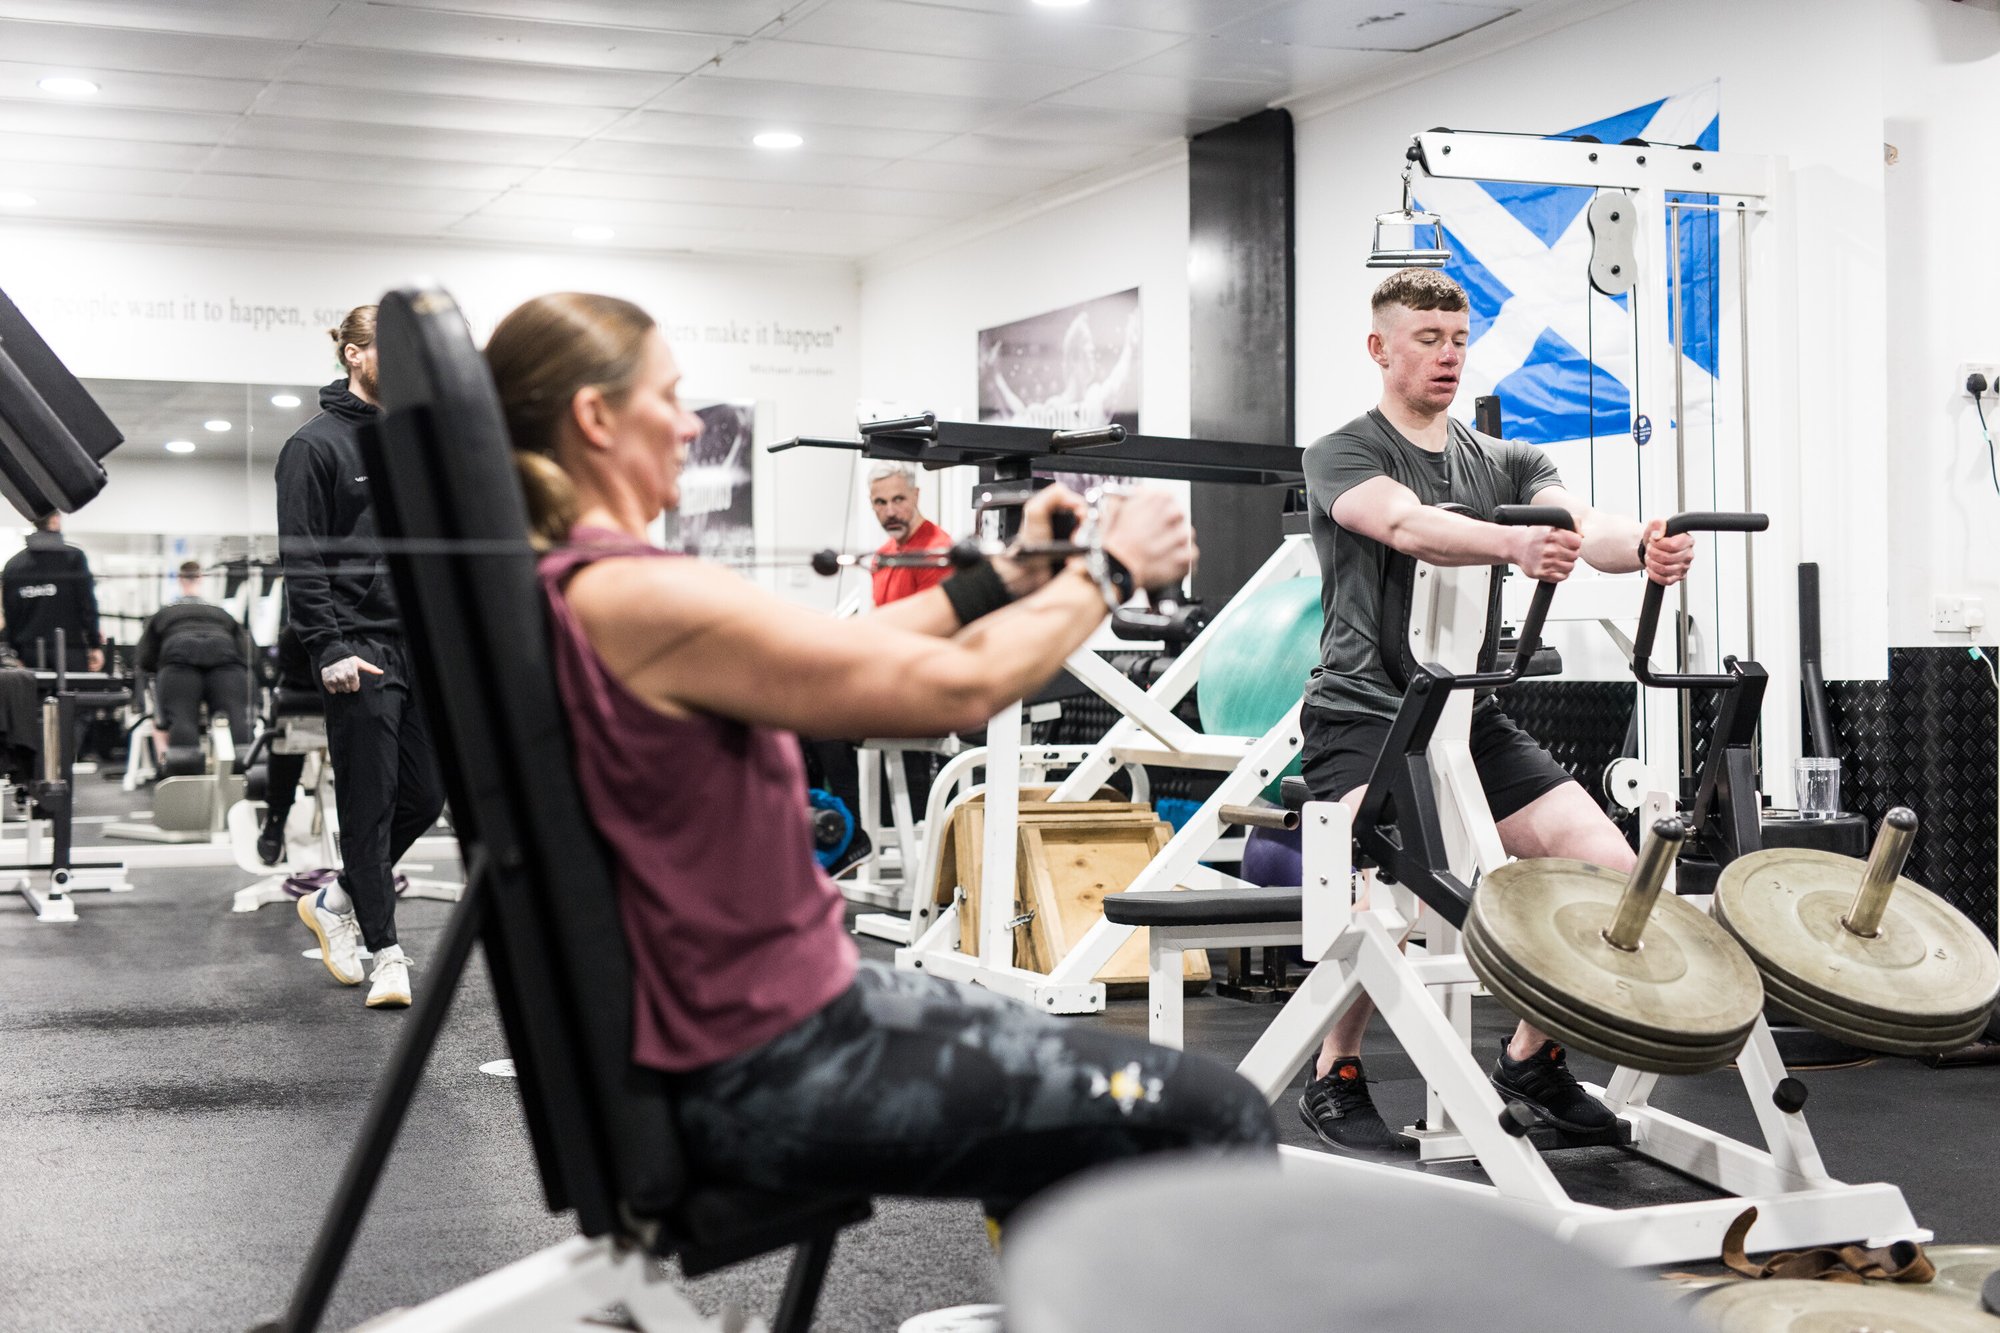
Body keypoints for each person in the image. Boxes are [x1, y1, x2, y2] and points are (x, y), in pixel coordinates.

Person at [484, 291, 1275, 1227]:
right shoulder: (630, 595)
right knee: (1218, 1114)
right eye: (671, 395)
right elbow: (955, 690)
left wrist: (1006, 576)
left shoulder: (584, 584)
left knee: (1058, 1082)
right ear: (595, 416)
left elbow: (858, 651)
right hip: (771, 1057)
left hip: (783, 1009)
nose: (692, 423)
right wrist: (1108, 571)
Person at [1295, 268, 1696, 1155]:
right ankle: (1335, 1068)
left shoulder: (1504, 460)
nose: (1448, 356)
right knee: (1385, 891)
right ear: (1380, 348)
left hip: (1470, 717)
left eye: (1458, 340)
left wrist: (1641, 546)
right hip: (1364, 711)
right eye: (1428, 340)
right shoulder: (1342, 452)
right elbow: (1401, 524)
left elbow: (1576, 522)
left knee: (1611, 864)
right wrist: (1512, 541)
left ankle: (1532, 1058)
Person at [276, 304, 446, 1010]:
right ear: (354, 353)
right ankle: (387, 953)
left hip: (420, 648)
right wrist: (329, 646)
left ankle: (337, 895)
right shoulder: (313, 447)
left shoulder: (410, 445)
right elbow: (302, 557)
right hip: (357, 649)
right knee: (370, 808)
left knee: (425, 796)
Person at [136, 560, 252, 768]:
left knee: (182, 721)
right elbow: (248, 654)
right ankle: (246, 782)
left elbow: (144, 658)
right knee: (237, 720)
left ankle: (185, 782)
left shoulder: (164, 613)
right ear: (202, 579)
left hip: (179, 660)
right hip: (225, 659)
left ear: (180, 579)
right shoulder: (222, 613)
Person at [2, 512, 104, 674]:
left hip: (30, 652)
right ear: (56, 519)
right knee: (73, 698)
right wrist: (94, 645)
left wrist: (16, 651)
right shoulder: (74, 558)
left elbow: (10, 613)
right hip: (71, 650)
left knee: (34, 699)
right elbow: (87, 604)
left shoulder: (13, 565)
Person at [866, 461, 955, 606]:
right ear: (871, 503)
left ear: (915, 495)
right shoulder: (882, 555)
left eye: (898, 499)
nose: (890, 512)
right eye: (881, 502)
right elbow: (877, 614)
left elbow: (931, 623)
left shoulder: (936, 554)